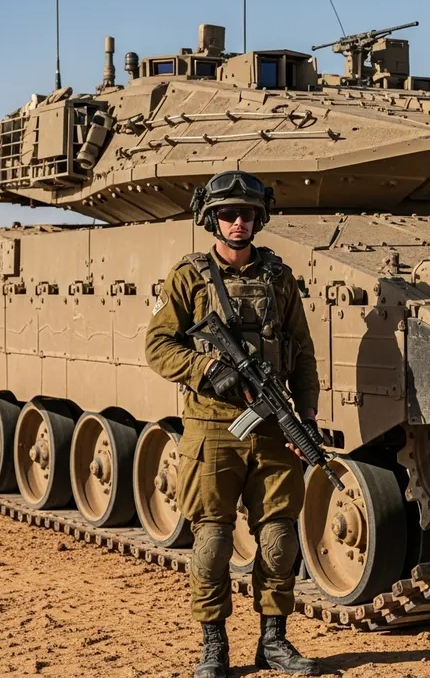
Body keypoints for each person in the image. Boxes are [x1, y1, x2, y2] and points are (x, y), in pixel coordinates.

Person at [145, 170, 320, 677]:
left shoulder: (279, 277)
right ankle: (213, 645)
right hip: (211, 428)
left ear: (259, 218)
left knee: (279, 538)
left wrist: (305, 416)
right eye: (228, 214)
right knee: (214, 540)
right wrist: (206, 370)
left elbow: (302, 351)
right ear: (211, 219)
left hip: (270, 424)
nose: (238, 222)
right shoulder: (188, 277)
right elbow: (158, 345)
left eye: (247, 214)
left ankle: (274, 641)